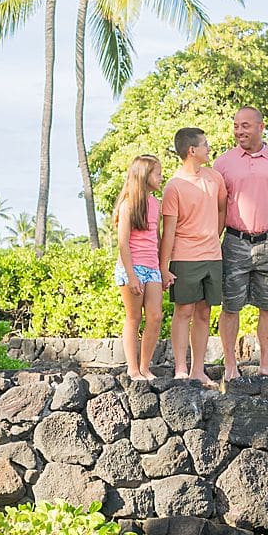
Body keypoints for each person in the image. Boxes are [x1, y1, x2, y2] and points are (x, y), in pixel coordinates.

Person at [214, 107, 268, 381]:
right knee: (231, 305)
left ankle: (266, 365)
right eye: (236, 126)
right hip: (234, 241)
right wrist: (211, 242)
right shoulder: (223, 163)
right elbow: (216, 207)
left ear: (261, 127)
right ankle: (230, 365)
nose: (240, 131)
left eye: (245, 126)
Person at [160, 127, 226, 387]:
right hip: (185, 257)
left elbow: (222, 209)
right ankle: (180, 368)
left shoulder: (215, 178)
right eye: (205, 144)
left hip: (212, 256)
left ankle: (198, 369)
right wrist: (164, 267)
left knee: (204, 311)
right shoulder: (174, 187)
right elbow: (169, 231)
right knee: (184, 310)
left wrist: (214, 236)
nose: (209, 148)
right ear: (192, 150)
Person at [113, 154, 164, 381]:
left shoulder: (156, 204)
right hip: (131, 268)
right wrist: (132, 276)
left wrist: (163, 268)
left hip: (152, 268)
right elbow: (123, 243)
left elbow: (157, 238)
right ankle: (132, 368)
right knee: (133, 318)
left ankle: (145, 367)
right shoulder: (128, 205)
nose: (161, 177)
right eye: (157, 173)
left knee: (155, 316)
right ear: (144, 176)